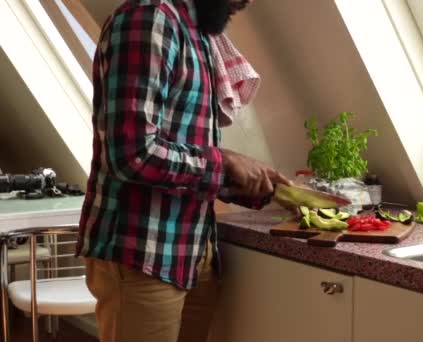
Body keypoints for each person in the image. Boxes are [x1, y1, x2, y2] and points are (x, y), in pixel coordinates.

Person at [76, 0, 289, 341]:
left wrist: (246, 181)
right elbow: (132, 153)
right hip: (141, 254)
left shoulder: (198, 33)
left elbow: (188, 152)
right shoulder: (149, 19)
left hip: (192, 251)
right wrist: (225, 163)